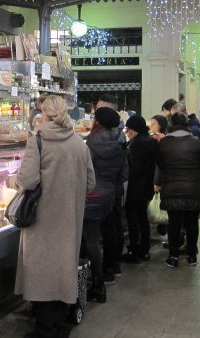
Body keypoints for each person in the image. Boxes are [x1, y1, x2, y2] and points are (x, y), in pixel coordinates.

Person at [14, 96, 95, 337]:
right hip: (70, 219)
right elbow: (90, 182)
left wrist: (12, 181)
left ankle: (45, 327)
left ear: (44, 115)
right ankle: (60, 323)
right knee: (62, 270)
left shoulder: (37, 141)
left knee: (41, 271)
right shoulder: (80, 143)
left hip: (42, 219)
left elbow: (27, 180)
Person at [82, 106, 127, 301]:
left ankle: (94, 282)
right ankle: (106, 274)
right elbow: (125, 172)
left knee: (89, 240)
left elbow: (86, 173)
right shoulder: (121, 140)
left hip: (91, 196)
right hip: (110, 195)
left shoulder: (90, 142)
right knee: (107, 232)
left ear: (97, 121)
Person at [156, 113, 200, 268]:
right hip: (194, 188)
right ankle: (191, 255)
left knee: (174, 223)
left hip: (172, 187)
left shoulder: (165, 142)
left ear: (171, 124)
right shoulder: (196, 142)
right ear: (187, 124)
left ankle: (173, 256)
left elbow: (160, 163)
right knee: (192, 223)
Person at [121, 115, 158, 263]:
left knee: (133, 219)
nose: (127, 131)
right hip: (146, 186)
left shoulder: (137, 145)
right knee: (143, 218)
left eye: (128, 129)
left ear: (135, 130)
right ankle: (145, 249)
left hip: (135, 187)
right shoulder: (150, 141)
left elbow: (134, 168)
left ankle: (134, 251)